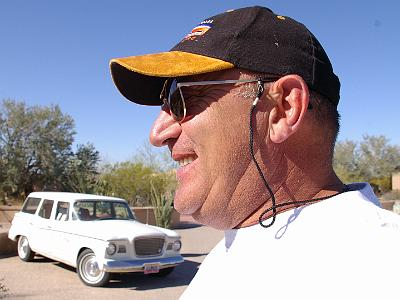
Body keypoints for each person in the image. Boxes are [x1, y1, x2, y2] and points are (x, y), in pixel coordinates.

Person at [110, 6, 400, 300]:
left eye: (182, 97)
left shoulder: (382, 271)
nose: (157, 134)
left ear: (283, 109)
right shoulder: (233, 250)